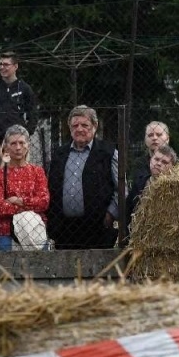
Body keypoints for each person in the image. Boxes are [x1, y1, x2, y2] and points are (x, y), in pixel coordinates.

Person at [46, 105, 119, 249]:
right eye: (75, 125)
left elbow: (120, 189)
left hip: (98, 230)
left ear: (95, 126)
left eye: (85, 125)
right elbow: (50, 188)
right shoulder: (59, 155)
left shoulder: (108, 153)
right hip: (64, 230)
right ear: (70, 127)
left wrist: (110, 215)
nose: (79, 129)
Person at [0, 126, 50, 251]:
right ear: (6, 147)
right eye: (13, 143)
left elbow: (44, 202)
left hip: (34, 232)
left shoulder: (37, 171)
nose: (18, 147)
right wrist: (30, 204)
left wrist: (17, 201)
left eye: (21, 143)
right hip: (7, 233)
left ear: (28, 145)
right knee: (5, 270)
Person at [0, 52, 37, 137]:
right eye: (0, 64)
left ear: (15, 66)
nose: (2, 67)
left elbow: (33, 114)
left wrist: (26, 133)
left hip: (16, 138)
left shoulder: (25, 88)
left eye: (6, 64)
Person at [126, 144, 176, 224]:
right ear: (150, 160)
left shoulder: (174, 188)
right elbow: (127, 210)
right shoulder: (139, 183)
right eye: (156, 159)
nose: (159, 164)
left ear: (172, 168)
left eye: (164, 162)